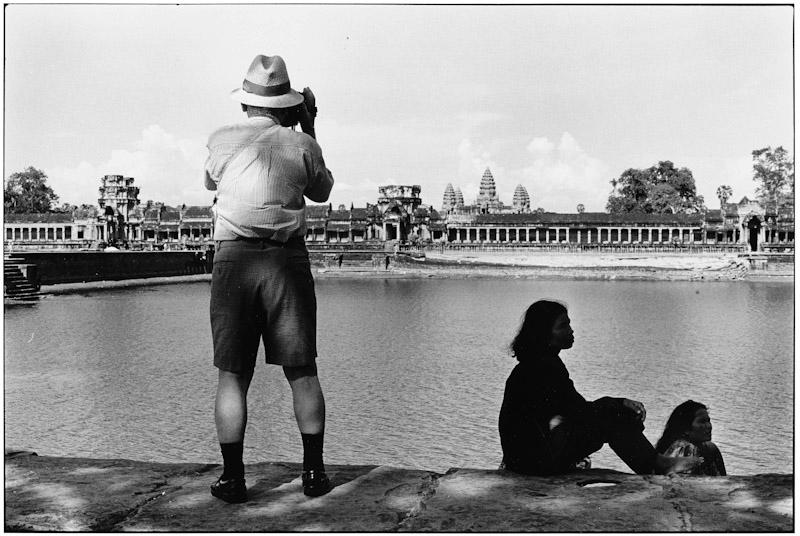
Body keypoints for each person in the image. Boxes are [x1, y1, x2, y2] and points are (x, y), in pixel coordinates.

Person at [204, 54, 335, 503]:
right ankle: (313, 473)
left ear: (245, 103)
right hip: (285, 262)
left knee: (232, 375)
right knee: (303, 371)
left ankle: (232, 478)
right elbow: (322, 191)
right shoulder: (302, 145)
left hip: (233, 261)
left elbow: (210, 183)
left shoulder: (221, 139)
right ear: (289, 104)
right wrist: (308, 127)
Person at [498, 299, 701, 476]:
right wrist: (620, 406)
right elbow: (579, 412)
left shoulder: (537, 363)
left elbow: (573, 410)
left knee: (612, 414)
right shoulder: (543, 366)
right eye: (563, 326)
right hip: (534, 462)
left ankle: (655, 464)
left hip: (525, 460)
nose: (571, 330)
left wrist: (617, 407)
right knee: (613, 417)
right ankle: (657, 464)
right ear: (545, 334)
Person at [655, 400, 726, 476]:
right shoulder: (685, 448)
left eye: (708, 421)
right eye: (702, 422)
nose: (709, 426)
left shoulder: (710, 448)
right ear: (686, 429)